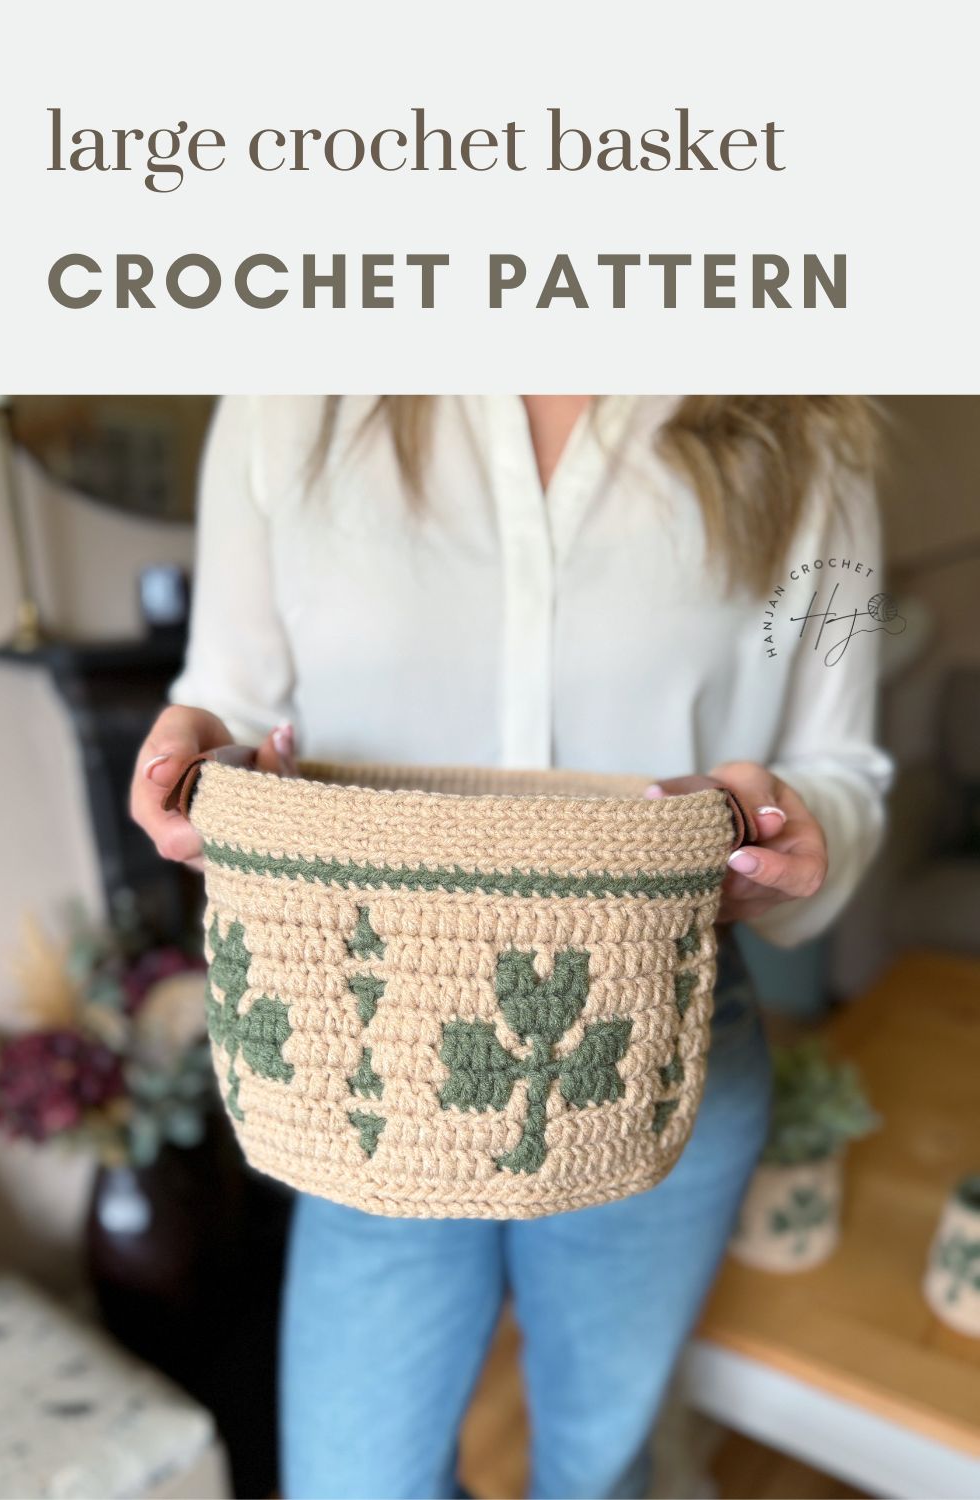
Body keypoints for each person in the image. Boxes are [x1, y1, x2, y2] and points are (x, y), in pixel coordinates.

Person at [131, 395, 893, 1500]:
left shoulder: (810, 432)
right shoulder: (293, 393)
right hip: (368, 1042)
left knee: (600, 1470)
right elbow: (226, 698)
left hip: (651, 1033)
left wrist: (802, 834)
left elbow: (842, 763)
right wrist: (198, 758)